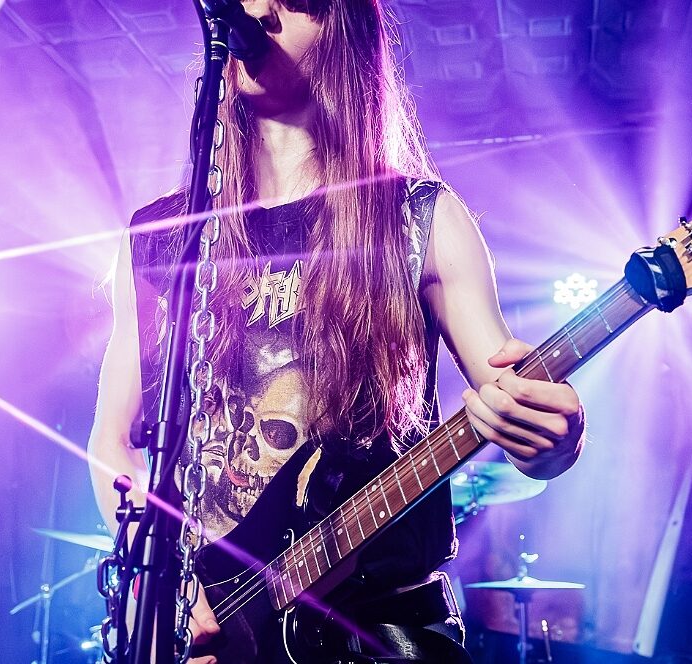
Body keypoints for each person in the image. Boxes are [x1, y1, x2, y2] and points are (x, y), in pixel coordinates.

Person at [88, 1, 585, 661]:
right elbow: (112, 440)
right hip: (209, 631)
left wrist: (552, 440)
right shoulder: (158, 238)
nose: (258, 9)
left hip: (376, 635)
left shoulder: (419, 219)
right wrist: (164, 583)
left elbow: (514, 401)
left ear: (343, 30)